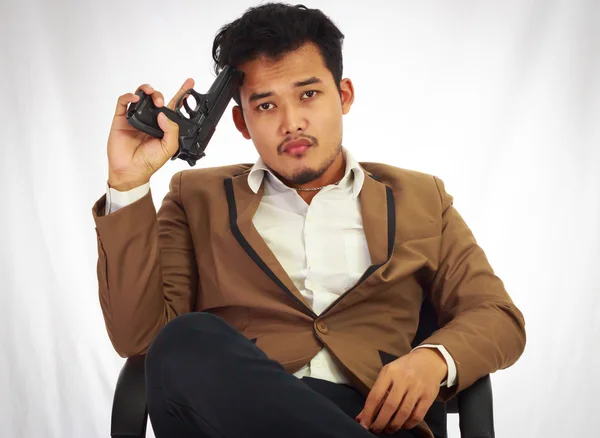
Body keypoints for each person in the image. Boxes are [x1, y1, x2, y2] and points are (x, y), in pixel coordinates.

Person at [92, 3, 526, 438]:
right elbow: (141, 338)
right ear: (241, 122)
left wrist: (434, 358)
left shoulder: (421, 198)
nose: (291, 123)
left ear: (344, 96)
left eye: (308, 94)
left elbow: (497, 315)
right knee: (183, 342)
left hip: (376, 418)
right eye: (265, 105)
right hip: (240, 419)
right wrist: (127, 183)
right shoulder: (196, 197)